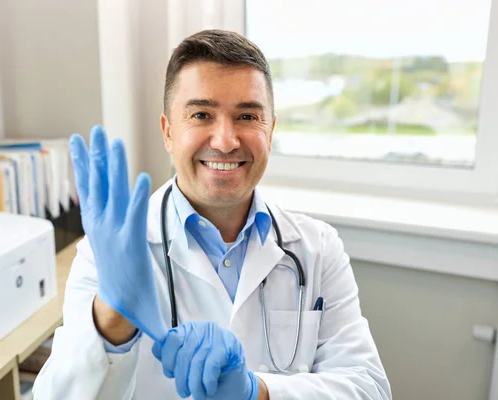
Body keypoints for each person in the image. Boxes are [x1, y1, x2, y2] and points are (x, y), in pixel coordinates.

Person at [33, 29, 391, 399]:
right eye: (201, 114)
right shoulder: (107, 254)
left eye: (248, 116)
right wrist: (111, 320)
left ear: (270, 131)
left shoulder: (317, 248)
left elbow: (369, 388)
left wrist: (257, 392)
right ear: (168, 131)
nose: (225, 140)